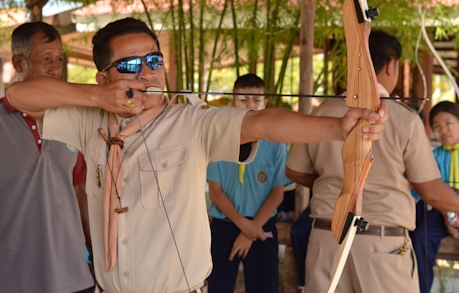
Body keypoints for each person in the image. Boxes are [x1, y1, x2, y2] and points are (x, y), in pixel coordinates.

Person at [6, 17, 387, 293]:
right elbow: (19, 96)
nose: (146, 75)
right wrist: (93, 98)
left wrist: (338, 129)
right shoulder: (89, 119)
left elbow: (263, 123)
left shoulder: (191, 120)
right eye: (130, 66)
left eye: (153, 62)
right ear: (103, 77)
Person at [286, 30, 459, 293]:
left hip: (326, 240)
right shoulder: (405, 119)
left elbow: (295, 170)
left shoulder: (321, 112)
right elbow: (432, 191)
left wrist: (335, 182)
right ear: (391, 65)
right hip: (382, 247)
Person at [0, 21, 94, 292]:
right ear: (19, 63)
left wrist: (94, 255)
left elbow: (81, 193)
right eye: (46, 59)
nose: (55, 67)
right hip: (12, 279)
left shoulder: (74, 121)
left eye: (59, 59)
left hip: (74, 277)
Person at [206, 73, 288, 293]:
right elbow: (215, 191)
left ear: (266, 102)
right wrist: (246, 227)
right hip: (226, 225)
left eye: (256, 100)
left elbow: (277, 193)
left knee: (264, 287)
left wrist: (251, 230)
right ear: (233, 101)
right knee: (218, 287)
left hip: (262, 225)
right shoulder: (219, 139)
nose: (250, 105)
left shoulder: (276, 143)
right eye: (243, 100)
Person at [410, 100, 459, 293]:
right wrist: (448, 214)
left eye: (449, 123)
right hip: (442, 212)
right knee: (421, 237)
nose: (443, 130)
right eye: (437, 126)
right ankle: (421, 289)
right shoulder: (433, 157)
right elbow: (426, 190)